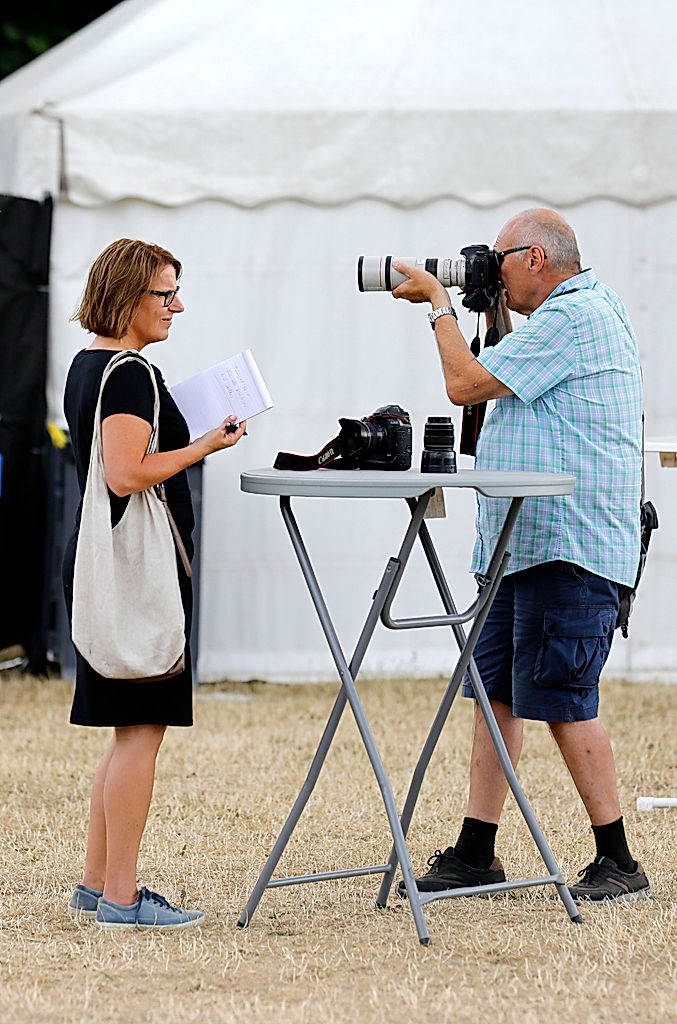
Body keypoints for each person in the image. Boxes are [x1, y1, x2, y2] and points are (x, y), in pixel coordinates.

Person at [392, 208, 651, 904]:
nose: (491, 268)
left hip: (567, 544)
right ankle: (477, 850)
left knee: (564, 699)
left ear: (534, 258)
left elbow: (466, 385)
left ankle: (618, 861)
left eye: (499, 259)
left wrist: (439, 308)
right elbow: (498, 377)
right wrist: (485, 308)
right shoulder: (564, 316)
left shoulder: (573, 318)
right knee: (495, 694)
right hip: (525, 543)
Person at [62, 239, 246, 929]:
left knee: (124, 731)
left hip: (104, 571)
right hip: (137, 578)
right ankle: (121, 897)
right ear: (126, 297)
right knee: (141, 731)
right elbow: (124, 473)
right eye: (164, 294)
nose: (177, 306)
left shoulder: (88, 365)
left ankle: (95, 884)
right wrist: (205, 445)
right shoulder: (132, 373)